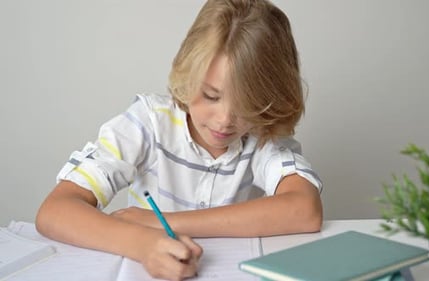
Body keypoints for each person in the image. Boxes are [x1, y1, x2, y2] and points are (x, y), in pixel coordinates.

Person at [35, 0, 323, 280]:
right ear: (188, 72)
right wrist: (142, 244)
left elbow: (304, 210)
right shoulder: (148, 122)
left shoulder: (263, 134)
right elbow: (54, 212)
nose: (224, 120)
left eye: (248, 103)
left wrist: (162, 223)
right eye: (211, 95)